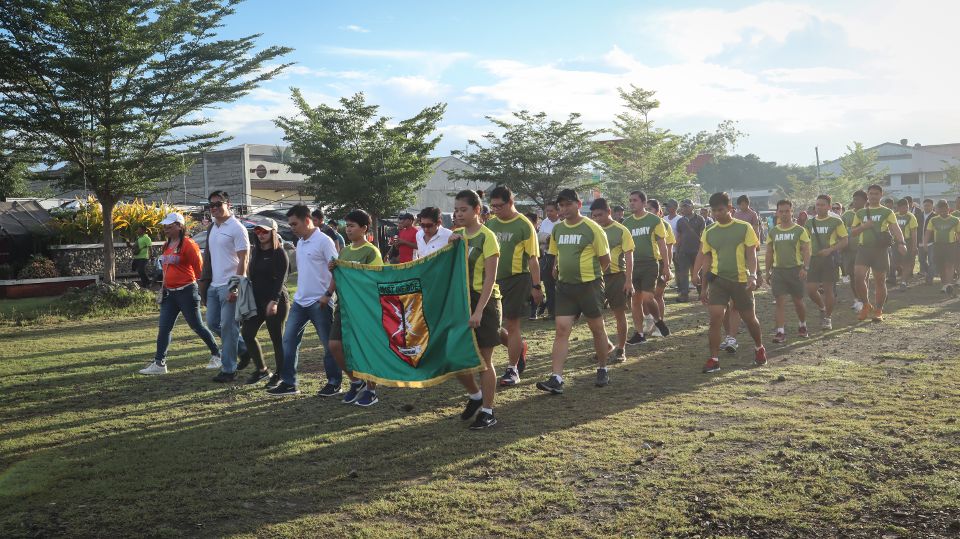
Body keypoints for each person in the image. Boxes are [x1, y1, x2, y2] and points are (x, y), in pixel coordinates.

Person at [536, 188, 612, 394]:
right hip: (565, 288)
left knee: (597, 328)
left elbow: (605, 260)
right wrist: (556, 269)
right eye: (561, 205)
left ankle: (603, 368)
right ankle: (556, 378)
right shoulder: (558, 230)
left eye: (568, 204)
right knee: (561, 330)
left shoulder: (593, 229)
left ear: (578, 205)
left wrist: (593, 279)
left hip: (590, 286)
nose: (564, 209)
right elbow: (555, 254)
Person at [267, 205, 341, 397]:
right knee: (288, 341)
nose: (292, 227)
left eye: (294, 223)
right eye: (290, 224)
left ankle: (334, 382)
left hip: (320, 302)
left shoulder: (324, 242)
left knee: (328, 344)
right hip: (300, 301)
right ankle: (289, 383)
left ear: (307, 220)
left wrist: (327, 294)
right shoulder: (300, 242)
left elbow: (337, 270)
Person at [139, 213, 222, 375]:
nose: (166, 229)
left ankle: (217, 354)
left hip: (187, 292)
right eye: (165, 227)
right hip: (170, 294)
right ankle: (159, 363)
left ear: (179, 226)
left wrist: (204, 294)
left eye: (169, 227)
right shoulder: (166, 245)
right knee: (164, 328)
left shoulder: (189, 245)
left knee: (196, 326)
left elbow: (200, 272)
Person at [692, 192, 766, 373]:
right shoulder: (709, 231)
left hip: (741, 281)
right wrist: (699, 281)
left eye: (721, 210)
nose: (717, 213)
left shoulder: (744, 228)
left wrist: (753, 275)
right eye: (714, 210)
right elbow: (705, 257)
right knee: (715, 318)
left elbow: (751, 254)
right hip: (718, 281)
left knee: (750, 319)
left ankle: (759, 348)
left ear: (730, 209)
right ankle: (714, 359)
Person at [449, 190, 502, 429]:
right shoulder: (456, 235)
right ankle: (475, 396)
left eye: (464, 209)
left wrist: (479, 311)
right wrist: (449, 247)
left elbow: (490, 279)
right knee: (453, 357)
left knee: (483, 361)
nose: (458, 214)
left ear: (477, 210)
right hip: (461, 302)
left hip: (485, 302)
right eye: (456, 209)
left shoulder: (487, 237)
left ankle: (488, 411)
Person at [485, 186, 542, 387]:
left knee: (512, 323)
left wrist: (537, 286)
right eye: (493, 206)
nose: (496, 210)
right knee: (491, 324)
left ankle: (512, 368)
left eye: (500, 206)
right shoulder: (490, 224)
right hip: (492, 280)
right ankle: (518, 347)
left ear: (511, 202)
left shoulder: (524, 225)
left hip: (518, 279)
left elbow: (533, 259)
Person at [328, 209, 383, 406]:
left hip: (364, 307)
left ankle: (371, 390)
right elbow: (340, 279)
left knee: (365, 348)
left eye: (352, 226)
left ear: (364, 228)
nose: (348, 229)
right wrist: (333, 273)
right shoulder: (345, 251)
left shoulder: (371, 251)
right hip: (343, 306)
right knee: (335, 345)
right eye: (347, 225)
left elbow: (375, 278)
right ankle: (355, 381)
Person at [198, 191, 250, 383]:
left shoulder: (237, 228)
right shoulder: (213, 228)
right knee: (212, 324)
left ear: (229, 203)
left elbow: (244, 259)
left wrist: (235, 287)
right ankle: (244, 349)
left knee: (228, 327)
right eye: (210, 206)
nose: (214, 208)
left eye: (218, 204)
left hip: (230, 285)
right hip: (213, 285)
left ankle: (229, 370)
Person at [239, 218, 289, 386]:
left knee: (276, 338)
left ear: (273, 233)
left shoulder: (279, 253)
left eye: (265, 231)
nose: (260, 234)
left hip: (276, 301)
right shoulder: (256, 252)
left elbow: (281, 280)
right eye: (258, 231)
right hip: (257, 301)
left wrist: (274, 301)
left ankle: (280, 374)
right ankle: (262, 370)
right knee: (247, 333)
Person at [849, 184, 907, 322]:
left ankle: (879, 310)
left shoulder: (887, 212)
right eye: (871, 193)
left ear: (881, 195)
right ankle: (866, 305)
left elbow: (896, 228)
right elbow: (853, 232)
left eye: (876, 193)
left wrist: (902, 243)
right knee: (858, 278)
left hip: (880, 250)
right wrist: (864, 226)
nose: (873, 196)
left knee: (880, 281)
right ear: (867, 195)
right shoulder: (860, 213)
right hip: (863, 249)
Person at [622, 191, 670, 346]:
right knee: (635, 301)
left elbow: (663, 245)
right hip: (633, 265)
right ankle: (639, 333)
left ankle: (658, 320)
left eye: (635, 200)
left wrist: (667, 267)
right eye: (630, 200)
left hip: (650, 263)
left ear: (644, 202)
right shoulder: (626, 223)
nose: (631, 203)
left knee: (648, 298)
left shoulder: (654, 220)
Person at [590, 198, 635, 363]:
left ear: (609, 212)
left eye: (600, 215)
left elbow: (629, 257)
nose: (597, 219)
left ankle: (621, 349)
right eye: (594, 216)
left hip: (617, 276)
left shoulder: (621, 230)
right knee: (595, 315)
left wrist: (629, 280)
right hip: (596, 277)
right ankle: (606, 345)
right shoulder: (592, 230)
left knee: (619, 314)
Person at [765, 200, 811, 344]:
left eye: (787, 211)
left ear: (792, 212)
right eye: (781, 211)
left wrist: (805, 268)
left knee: (798, 301)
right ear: (777, 212)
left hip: (796, 270)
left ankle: (802, 325)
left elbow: (806, 251)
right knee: (779, 302)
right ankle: (780, 331)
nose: (784, 214)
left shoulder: (799, 230)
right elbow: (769, 253)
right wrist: (767, 271)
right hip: (778, 271)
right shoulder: (773, 231)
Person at [805, 194, 848, 330]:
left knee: (829, 289)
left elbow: (845, 241)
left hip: (830, 259)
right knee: (811, 290)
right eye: (817, 204)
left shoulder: (836, 221)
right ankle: (822, 307)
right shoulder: (809, 222)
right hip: (813, 260)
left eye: (822, 204)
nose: (819, 207)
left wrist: (830, 250)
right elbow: (804, 242)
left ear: (829, 207)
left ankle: (828, 318)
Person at [647, 198, 674, 336]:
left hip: (661, 263)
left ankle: (659, 326)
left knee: (658, 295)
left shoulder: (664, 225)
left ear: (658, 211)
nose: (647, 212)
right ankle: (649, 321)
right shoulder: (642, 224)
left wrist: (667, 265)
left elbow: (668, 248)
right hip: (647, 264)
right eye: (646, 209)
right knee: (646, 296)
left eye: (650, 209)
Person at [924, 199, 960, 296]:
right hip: (938, 245)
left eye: (945, 209)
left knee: (949, 265)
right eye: (941, 210)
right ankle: (944, 284)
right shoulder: (934, 220)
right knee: (941, 266)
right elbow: (928, 232)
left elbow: (958, 233)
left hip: (951, 245)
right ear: (938, 210)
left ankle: (948, 284)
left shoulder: (955, 220)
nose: (943, 212)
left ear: (948, 208)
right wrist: (925, 243)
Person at [675, 199, 706, 302]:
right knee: (683, 274)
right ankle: (684, 295)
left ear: (692, 207)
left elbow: (703, 236)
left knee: (699, 272)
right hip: (684, 251)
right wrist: (677, 250)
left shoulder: (700, 219)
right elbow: (678, 237)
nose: (684, 208)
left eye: (686, 206)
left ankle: (701, 292)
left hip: (697, 251)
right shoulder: (680, 221)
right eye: (683, 206)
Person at [841, 191, 866, 308]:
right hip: (848, 250)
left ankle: (864, 300)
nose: (855, 202)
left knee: (862, 277)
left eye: (858, 199)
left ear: (865, 201)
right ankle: (856, 299)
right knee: (851, 276)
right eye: (854, 199)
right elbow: (839, 231)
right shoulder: (846, 215)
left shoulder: (868, 214)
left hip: (863, 250)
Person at [538, 202, 561, 319]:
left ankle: (562, 312)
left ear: (558, 211)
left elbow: (556, 241)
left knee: (560, 286)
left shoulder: (562, 223)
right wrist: (548, 238)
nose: (549, 213)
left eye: (551, 211)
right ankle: (552, 312)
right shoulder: (545, 222)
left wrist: (547, 239)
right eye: (547, 211)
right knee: (548, 285)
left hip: (559, 257)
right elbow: (539, 237)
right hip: (546, 257)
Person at [894, 198, 919, 289]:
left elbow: (914, 233)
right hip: (895, 242)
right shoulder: (894, 216)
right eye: (904, 207)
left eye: (907, 207)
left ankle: (903, 282)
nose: (906, 209)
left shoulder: (911, 217)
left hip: (907, 242)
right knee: (895, 262)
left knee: (907, 262)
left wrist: (914, 246)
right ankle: (901, 273)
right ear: (898, 207)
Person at [525, 212, 542, 320]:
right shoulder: (523, 232)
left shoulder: (537, 234)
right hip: (523, 266)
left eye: (530, 221)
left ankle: (534, 310)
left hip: (535, 265)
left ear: (535, 223)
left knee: (534, 286)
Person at [920, 198, 936, 282]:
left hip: (931, 243)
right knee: (921, 260)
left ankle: (930, 278)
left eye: (928, 205)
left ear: (932, 206)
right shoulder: (919, 215)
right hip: (920, 243)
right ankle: (928, 273)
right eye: (925, 205)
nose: (926, 207)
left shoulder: (935, 216)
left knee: (931, 261)